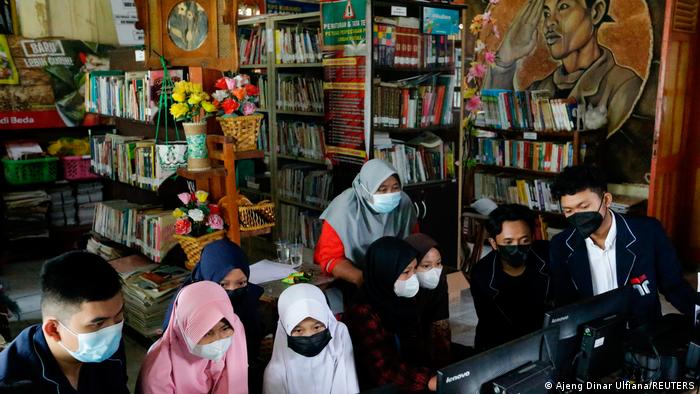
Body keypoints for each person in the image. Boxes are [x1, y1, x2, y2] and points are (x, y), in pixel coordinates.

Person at [549, 165, 700, 326]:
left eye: (584, 207)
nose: (577, 216)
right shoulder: (561, 246)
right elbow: (565, 305)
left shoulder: (648, 232)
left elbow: (674, 287)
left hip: (642, 332)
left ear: (606, 200)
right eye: (568, 210)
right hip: (592, 336)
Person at [486, 0, 643, 135]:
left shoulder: (623, 86)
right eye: (546, 13)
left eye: (563, 7)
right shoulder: (539, 88)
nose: (549, 23)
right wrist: (505, 60)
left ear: (596, 12)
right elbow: (499, 130)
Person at [0, 251, 129, 393]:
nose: (113, 330)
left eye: (118, 315)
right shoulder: (12, 383)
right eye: (98, 324)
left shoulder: (107, 347)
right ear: (53, 330)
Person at [344, 237, 437, 392]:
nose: (413, 278)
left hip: (412, 381)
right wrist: (429, 380)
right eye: (406, 272)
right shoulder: (362, 312)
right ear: (385, 272)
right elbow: (384, 370)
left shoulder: (403, 298)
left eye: (415, 270)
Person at [314, 159, 417, 288]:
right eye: (382, 190)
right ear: (366, 190)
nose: (390, 195)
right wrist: (363, 280)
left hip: (397, 276)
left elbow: (413, 244)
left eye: (395, 188)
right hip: (353, 279)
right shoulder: (342, 210)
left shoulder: (403, 202)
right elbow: (330, 259)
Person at [162, 239, 264, 362]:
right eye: (223, 285)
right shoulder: (187, 308)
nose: (232, 290)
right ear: (207, 278)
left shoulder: (247, 296)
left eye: (241, 283)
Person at [138, 281, 248, 394]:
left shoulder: (235, 328)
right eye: (206, 333)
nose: (218, 340)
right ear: (184, 330)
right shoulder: (158, 370)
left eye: (224, 329)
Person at [470, 204, 551, 351]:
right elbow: (490, 325)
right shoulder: (482, 274)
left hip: (545, 341)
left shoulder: (548, 255)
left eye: (524, 241)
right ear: (494, 243)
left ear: (533, 237)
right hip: (499, 347)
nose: (517, 247)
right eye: (508, 242)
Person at [263, 284, 359, 394]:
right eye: (298, 330)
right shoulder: (275, 373)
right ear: (285, 331)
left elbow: (347, 384)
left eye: (317, 327)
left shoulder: (338, 335)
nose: (309, 336)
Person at [404, 233, 452, 368]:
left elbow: (440, 323)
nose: (435, 271)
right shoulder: (401, 285)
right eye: (426, 266)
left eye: (438, 263)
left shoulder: (440, 279)